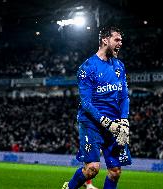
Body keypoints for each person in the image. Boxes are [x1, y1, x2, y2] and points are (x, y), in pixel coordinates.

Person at [62, 26, 131, 189]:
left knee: (115, 171)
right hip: (92, 123)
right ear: (105, 40)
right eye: (117, 39)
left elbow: (123, 97)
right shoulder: (87, 68)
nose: (120, 43)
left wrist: (124, 121)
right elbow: (86, 103)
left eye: (121, 40)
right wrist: (107, 123)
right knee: (92, 169)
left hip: (114, 124)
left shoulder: (119, 66)